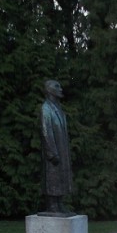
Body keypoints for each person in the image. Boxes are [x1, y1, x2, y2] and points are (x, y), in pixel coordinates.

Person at [40, 79, 73, 214]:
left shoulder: (58, 109)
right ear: (49, 90)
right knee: (52, 177)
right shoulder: (45, 108)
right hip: (53, 152)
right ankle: (52, 205)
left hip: (61, 149)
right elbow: (45, 131)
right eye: (57, 86)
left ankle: (59, 203)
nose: (61, 89)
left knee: (61, 177)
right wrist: (52, 153)